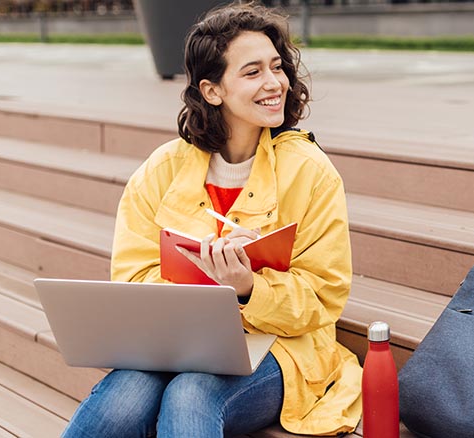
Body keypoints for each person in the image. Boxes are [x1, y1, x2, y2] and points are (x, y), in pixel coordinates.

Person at [62, 4, 362, 437]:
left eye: (277, 67)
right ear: (212, 90)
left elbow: (324, 296)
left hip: (283, 349)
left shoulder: (310, 171)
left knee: (191, 393)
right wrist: (203, 286)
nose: (275, 83)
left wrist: (248, 288)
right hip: (178, 342)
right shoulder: (161, 169)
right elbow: (132, 278)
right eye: (252, 72)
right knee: (124, 397)